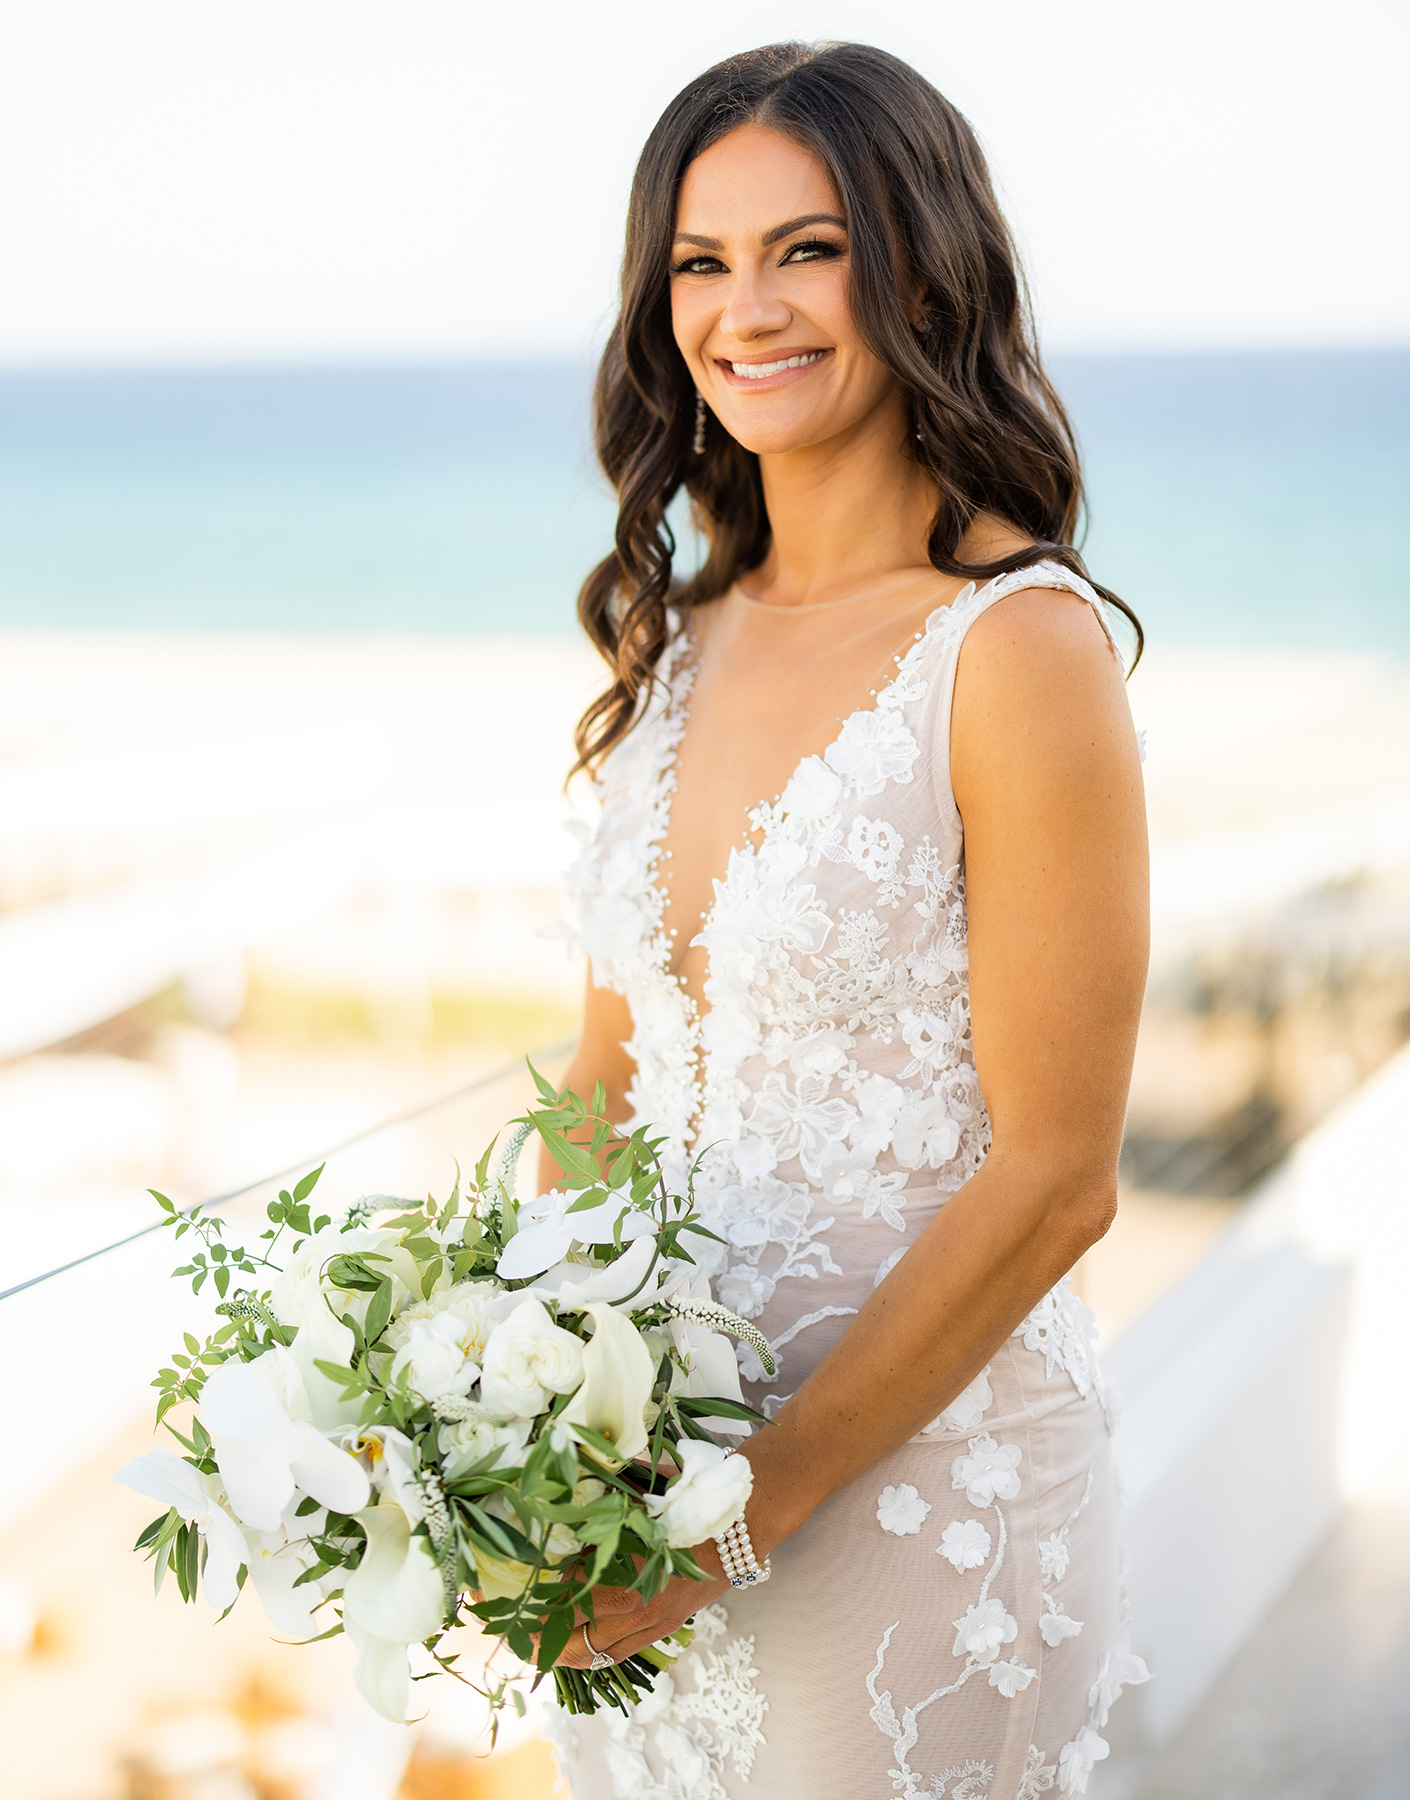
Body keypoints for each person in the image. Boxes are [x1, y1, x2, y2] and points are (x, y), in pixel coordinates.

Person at [545, 41, 1150, 1800]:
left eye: (807, 250)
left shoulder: (1012, 652)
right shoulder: (672, 642)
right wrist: (540, 1410)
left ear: (919, 267)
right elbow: (601, 1079)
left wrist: (743, 1519)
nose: (749, 309)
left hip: (919, 1506)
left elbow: (1058, 1176)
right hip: (648, 1503)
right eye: (700, 261)